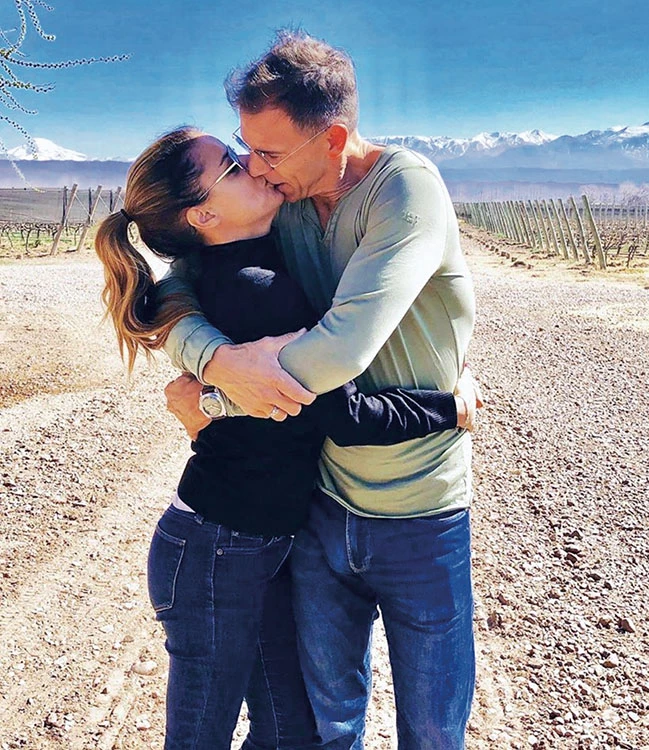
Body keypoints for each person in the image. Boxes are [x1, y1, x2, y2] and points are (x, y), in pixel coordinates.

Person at [94, 126, 479, 750]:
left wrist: (212, 391)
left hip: (256, 542)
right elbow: (342, 415)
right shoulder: (256, 289)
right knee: (203, 734)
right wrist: (449, 407)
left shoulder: (261, 248)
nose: (252, 164)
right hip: (218, 548)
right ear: (204, 215)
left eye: (253, 152)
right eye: (233, 163)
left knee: (287, 730)